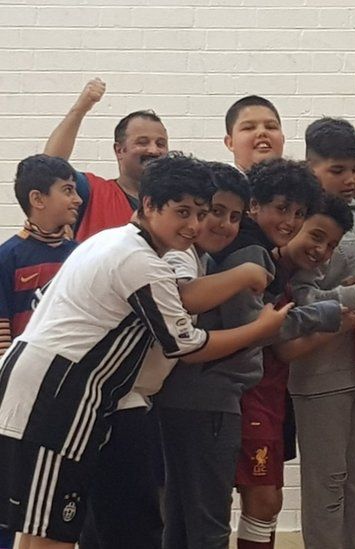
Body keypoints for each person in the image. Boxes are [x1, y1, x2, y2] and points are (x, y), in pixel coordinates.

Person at [0, 153, 293, 549]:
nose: (193, 225)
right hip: (56, 394)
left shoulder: (115, 241)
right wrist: (260, 327)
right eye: (182, 212)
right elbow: (186, 344)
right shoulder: (140, 260)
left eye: (200, 213)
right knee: (52, 531)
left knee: (69, 525)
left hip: (85, 394)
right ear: (149, 205)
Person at [154, 158, 343, 549]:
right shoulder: (249, 252)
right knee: (218, 517)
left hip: (192, 395)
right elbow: (261, 331)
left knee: (185, 515)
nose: (289, 221)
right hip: (213, 396)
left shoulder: (217, 252)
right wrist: (331, 312)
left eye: (298, 212)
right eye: (281, 208)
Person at [78, 162, 266, 549]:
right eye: (198, 212)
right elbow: (183, 319)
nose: (202, 224)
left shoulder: (156, 249)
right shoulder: (169, 255)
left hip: (121, 398)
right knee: (154, 524)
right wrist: (255, 302)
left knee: (136, 522)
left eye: (230, 216)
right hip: (112, 398)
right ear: (149, 205)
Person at [234, 189, 355, 549]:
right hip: (252, 397)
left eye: (331, 245)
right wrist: (338, 322)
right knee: (263, 500)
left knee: (267, 499)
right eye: (316, 236)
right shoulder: (263, 269)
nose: (322, 250)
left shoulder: (289, 276)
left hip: (271, 399)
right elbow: (284, 345)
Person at [288, 117, 355, 549]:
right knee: (327, 483)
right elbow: (295, 303)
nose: (350, 179)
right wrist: (354, 299)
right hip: (319, 371)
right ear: (309, 167)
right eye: (337, 170)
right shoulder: (297, 220)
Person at [0, 154, 81, 549]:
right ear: (37, 198)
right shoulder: (8, 257)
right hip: (18, 391)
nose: (77, 200)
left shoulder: (83, 255)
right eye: (67, 190)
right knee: (11, 490)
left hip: (68, 393)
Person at [44, 78, 169, 240]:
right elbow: (49, 168)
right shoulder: (92, 192)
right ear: (119, 150)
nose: (153, 150)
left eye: (160, 144)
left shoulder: (178, 204)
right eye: (142, 142)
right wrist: (80, 109)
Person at [223, 95, 286, 173]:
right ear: (230, 143)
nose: (262, 132)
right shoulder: (217, 183)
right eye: (249, 128)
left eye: (271, 127)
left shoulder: (301, 182)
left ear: (283, 139)